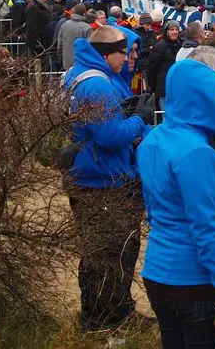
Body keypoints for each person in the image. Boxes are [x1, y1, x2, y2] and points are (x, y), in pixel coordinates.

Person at [139, 53, 215, 349]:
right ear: (200, 98)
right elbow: (207, 225)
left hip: (158, 270)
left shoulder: (154, 139)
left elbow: (151, 209)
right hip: (193, 280)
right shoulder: (196, 152)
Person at [64, 25, 151, 332]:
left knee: (96, 253)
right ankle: (110, 319)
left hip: (88, 174)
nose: (127, 59)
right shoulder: (98, 85)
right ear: (106, 54)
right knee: (113, 253)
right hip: (104, 179)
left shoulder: (77, 73)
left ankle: (101, 313)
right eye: (122, 53)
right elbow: (111, 136)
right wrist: (140, 119)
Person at [146, 20, 183, 111]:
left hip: (176, 85)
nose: (174, 32)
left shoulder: (179, 44)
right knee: (166, 115)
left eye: (176, 29)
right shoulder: (160, 45)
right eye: (172, 29)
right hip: (163, 87)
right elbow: (152, 67)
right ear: (167, 31)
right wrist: (152, 85)